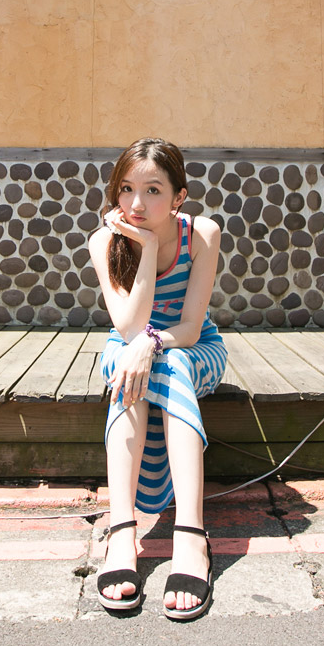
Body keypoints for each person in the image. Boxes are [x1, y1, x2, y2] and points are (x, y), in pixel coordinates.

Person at [88, 136, 224, 621]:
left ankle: (190, 536)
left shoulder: (202, 233)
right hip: (130, 346)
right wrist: (145, 248)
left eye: (153, 191)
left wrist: (152, 343)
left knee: (170, 362)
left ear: (179, 196)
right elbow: (128, 327)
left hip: (191, 347)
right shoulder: (105, 241)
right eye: (126, 189)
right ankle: (123, 533)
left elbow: (190, 328)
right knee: (129, 363)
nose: (136, 204)